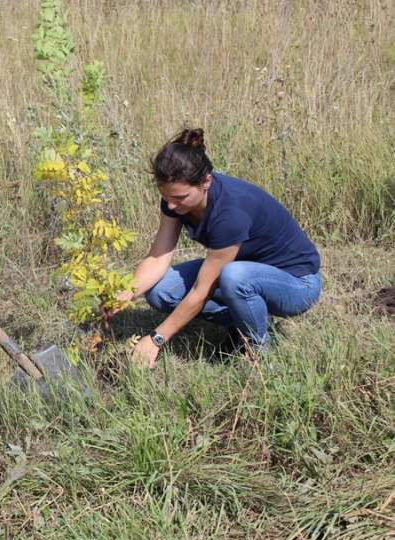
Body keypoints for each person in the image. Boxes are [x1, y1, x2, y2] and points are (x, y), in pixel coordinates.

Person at [106, 128, 321, 368]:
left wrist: (156, 339)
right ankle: (246, 319)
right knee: (159, 292)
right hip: (245, 272)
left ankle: (258, 356)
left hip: (297, 283)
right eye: (166, 196)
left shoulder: (230, 213)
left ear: (206, 181)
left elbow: (202, 290)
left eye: (180, 197)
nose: (171, 205)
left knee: (234, 277)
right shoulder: (174, 200)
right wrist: (124, 294)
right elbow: (158, 257)